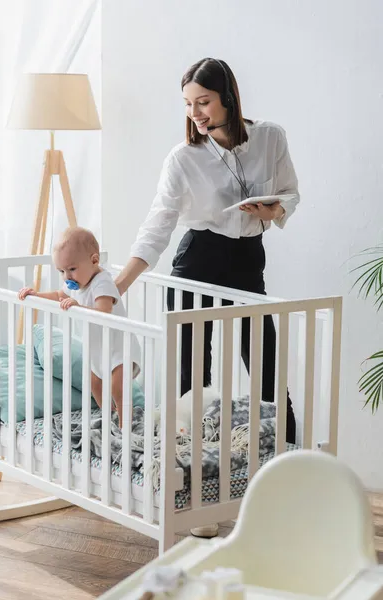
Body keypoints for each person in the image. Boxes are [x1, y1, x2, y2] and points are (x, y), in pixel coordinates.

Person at [115, 58, 300, 536]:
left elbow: (291, 194)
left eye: (203, 102)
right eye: (188, 105)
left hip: (247, 258)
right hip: (198, 258)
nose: (195, 113)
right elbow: (158, 224)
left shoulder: (270, 138)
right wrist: (118, 285)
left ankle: (285, 478)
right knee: (191, 374)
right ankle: (190, 496)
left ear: (228, 98)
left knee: (264, 361)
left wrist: (272, 207)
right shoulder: (183, 157)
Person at [18, 226, 141, 428]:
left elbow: (104, 311)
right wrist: (35, 295)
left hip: (120, 349)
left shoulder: (102, 282)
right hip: (98, 349)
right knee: (95, 384)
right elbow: (59, 295)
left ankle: (124, 424)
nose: (67, 276)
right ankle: (109, 417)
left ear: (94, 260)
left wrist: (78, 306)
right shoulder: (76, 281)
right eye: (62, 271)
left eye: (72, 269)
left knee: (118, 388)